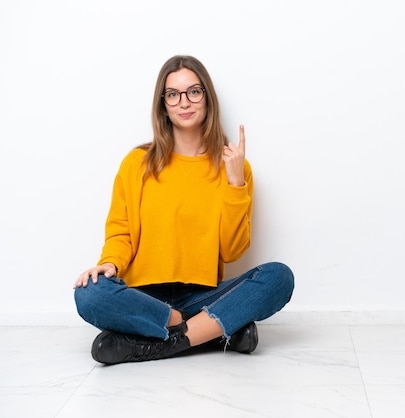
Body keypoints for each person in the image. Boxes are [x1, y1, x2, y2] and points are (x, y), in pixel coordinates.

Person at [73, 55, 294, 365]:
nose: (184, 102)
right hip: (144, 296)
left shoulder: (234, 166)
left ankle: (158, 341)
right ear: (163, 104)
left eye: (194, 91)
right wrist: (108, 263)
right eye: (173, 94)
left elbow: (232, 252)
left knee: (278, 277)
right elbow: (120, 232)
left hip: (201, 293)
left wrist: (234, 182)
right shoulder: (137, 163)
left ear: (207, 98)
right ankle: (211, 330)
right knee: (88, 293)